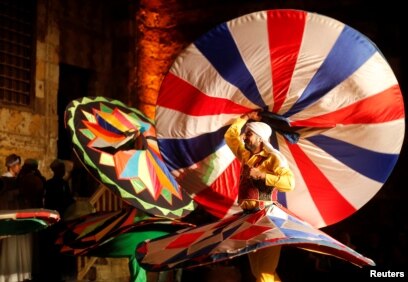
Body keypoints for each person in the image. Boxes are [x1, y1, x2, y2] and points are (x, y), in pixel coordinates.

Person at [224, 111, 295, 282]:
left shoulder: (273, 158)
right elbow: (230, 136)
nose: (244, 138)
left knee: (264, 273)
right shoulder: (246, 156)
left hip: (268, 218)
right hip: (249, 218)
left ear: (260, 138)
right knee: (259, 272)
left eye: (248, 134)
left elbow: (290, 184)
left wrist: (263, 176)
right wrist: (245, 118)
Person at [0, 154, 33, 282]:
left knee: (21, 241)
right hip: (10, 216)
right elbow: (3, 198)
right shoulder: (3, 180)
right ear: (12, 166)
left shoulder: (20, 179)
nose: (19, 167)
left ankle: (21, 274)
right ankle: (10, 275)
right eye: (18, 165)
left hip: (19, 216)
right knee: (10, 245)